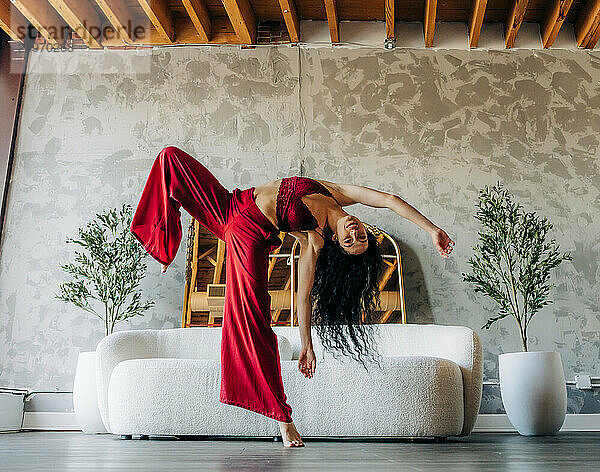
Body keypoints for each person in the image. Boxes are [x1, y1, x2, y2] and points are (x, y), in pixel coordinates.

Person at [130, 146, 455, 448]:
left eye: (350, 241)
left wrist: (308, 345)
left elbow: (302, 297)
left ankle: (283, 419)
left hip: (249, 237)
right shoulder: (336, 193)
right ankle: (162, 245)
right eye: (360, 236)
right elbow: (388, 198)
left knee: (252, 320)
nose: (354, 232)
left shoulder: (314, 238)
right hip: (231, 205)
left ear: (338, 248)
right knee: (170, 158)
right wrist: (431, 230)